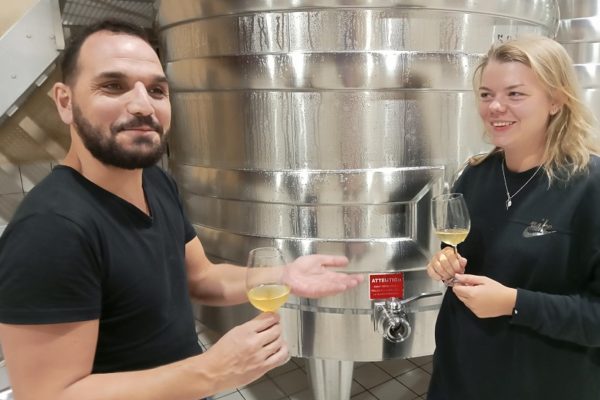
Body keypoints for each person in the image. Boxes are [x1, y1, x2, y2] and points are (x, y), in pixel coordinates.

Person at [0, 19, 363, 400]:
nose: (143, 105)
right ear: (64, 101)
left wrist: (283, 275)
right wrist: (211, 372)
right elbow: (47, 395)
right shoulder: (50, 231)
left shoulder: (155, 182)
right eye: (113, 85)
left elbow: (201, 277)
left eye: (157, 90)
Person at [426, 35, 600, 400]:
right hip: (459, 378)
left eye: (515, 94)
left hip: (542, 383)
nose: (495, 107)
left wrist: (514, 302)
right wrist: (446, 261)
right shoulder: (475, 175)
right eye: (487, 94)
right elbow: (458, 251)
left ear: (556, 100)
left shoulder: (590, 186)